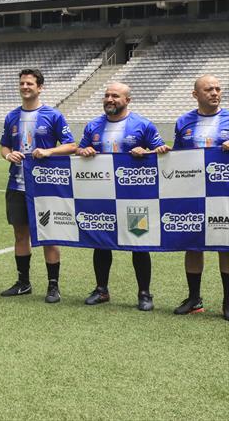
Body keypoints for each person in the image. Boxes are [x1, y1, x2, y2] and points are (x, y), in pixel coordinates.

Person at [76, 83, 169, 311]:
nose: (109, 99)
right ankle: (101, 290)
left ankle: (145, 294)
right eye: (106, 95)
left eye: (115, 96)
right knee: (101, 242)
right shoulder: (93, 125)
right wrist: (84, 151)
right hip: (102, 197)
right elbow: (78, 150)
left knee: (139, 242)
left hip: (134, 197)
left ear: (127, 100)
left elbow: (163, 152)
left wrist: (145, 152)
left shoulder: (143, 125)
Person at [0, 69, 76, 303]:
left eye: (29, 83)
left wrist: (48, 151)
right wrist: (8, 155)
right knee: (20, 233)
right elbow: (4, 146)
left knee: (48, 235)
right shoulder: (12, 116)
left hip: (45, 187)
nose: (25, 87)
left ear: (40, 87)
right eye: (22, 83)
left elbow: (71, 145)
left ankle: (53, 286)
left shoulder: (52, 115)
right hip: (17, 185)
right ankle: (24, 282)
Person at [172, 74, 229, 321]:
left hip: (224, 194)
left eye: (217, 89)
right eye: (208, 89)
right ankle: (194, 299)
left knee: (226, 245)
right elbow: (176, 157)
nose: (215, 93)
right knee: (193, 244)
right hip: (192, 193)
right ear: (196, 94)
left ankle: (228, 301)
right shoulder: (183, 121)